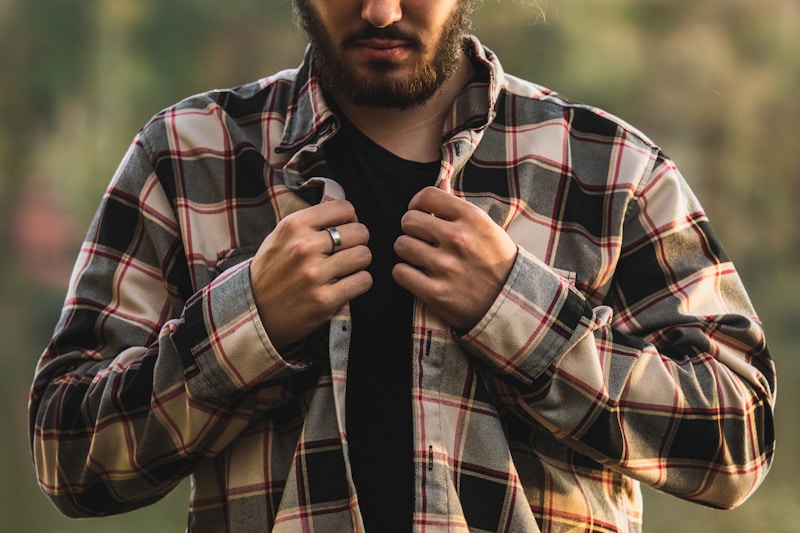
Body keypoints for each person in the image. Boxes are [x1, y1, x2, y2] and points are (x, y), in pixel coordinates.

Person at [29, 1, 776, 532]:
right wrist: (246, 322)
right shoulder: (185, 156)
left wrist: (521, 313)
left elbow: (739, 439)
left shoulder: (612, 168)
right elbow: (65, 454)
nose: (381, 12)